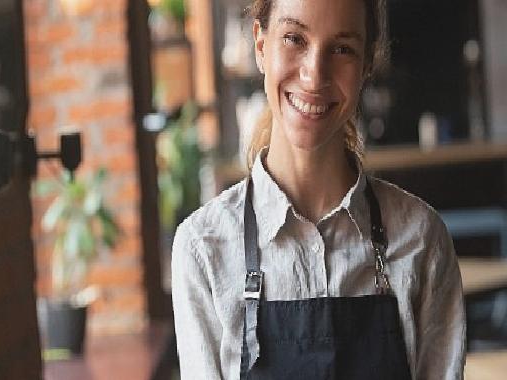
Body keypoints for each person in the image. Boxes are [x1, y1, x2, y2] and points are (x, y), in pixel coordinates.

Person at [171, 0, 466, 378]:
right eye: (294, 38)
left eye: (342, 49)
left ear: (366, 66)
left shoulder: (422, 239)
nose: (314, 76)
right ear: (261, 46)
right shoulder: (203, 249)